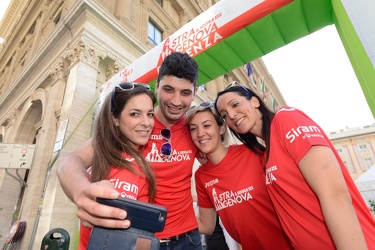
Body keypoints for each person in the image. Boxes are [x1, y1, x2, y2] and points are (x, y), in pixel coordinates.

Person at [57, 52, 202, 249]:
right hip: (143, 239)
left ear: (194, 94)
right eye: (169, 89)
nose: (176, 101)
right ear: (157, 87)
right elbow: (72, 161)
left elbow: (218, 165)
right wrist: (80, 191)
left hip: (188, 239)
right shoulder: (132, 126)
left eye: (185, 93)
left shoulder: (195, 128)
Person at [214, 81, 375, 249]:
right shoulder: (266, 153)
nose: (231, 115)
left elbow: (335, 195)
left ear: (255, 101)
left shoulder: (285, 118)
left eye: (235, 105)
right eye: (224, 115)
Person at [186, 102, 292, 249]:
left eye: (207, 125)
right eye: (193, 129)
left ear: (221, 128)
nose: (200, 133)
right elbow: (207, 225)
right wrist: (171, 213)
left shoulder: (252, 152)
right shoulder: (201, 176)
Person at [78, 82, 157, 249]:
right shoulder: (102, 152)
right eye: (135, 114)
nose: (147, 123)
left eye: (150, 114)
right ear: (115, 119)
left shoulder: (138, 162)